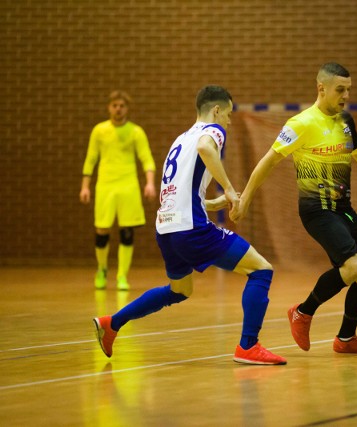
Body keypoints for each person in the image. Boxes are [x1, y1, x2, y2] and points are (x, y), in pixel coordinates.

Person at [92, 85, 286, 365]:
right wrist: (230, 192)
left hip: (167, 229)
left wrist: (212, 203)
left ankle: (112, 323)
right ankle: (248, 346)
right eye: (229, 114)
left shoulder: (179, 139)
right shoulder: (213, 132)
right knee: (261, 270)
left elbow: (174, 190)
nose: (229, 121)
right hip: (191, 229)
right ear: (216, 110)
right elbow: (207, 147)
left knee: (180, 290)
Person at [231, 63, 357, 354]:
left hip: (343, 207)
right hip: (316, 209)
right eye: (340, 89)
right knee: (353, 266)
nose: (346, 95)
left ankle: (345, 339)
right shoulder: (300, 124)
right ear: (321, 88)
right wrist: (246, 200)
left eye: (349, 89)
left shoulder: (345, 121)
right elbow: (268, 161)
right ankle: (302, 311)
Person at [80, 90, 157, 291]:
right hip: (105, 184)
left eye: (122, 106)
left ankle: (122, 275)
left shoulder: (136, 132)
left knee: (127, 231)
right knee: (102, 229)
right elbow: (91, 158)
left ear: (127, 109)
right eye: (115, 105)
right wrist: (85, 186)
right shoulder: (99, 131)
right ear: (109, 107)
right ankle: (102, 269)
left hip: (128, 185)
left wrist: (149, 183)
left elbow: (146, 158)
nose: (118, 109)